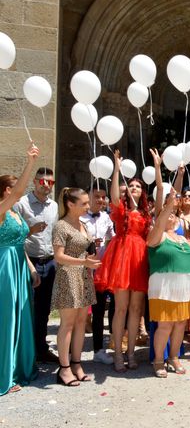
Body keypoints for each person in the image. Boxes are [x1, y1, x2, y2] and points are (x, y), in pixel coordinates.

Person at [94, 149, 153, 372]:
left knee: (136, 309)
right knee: (121, 308)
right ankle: (117, 352)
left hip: (139, 259)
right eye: (132, 186)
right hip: (122, 258)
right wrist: (116, 169)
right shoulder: (121, 209)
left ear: (142, 191)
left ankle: (130, 353)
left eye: (138, 186)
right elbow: (115, 196)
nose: (135, 188)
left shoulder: (146, 213)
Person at [147, 188, 190, 378]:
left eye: (173, 215)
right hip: (163, 287)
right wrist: (169, 203)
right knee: (165, 325)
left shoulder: (182, 239)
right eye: (167, 215)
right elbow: (160, 221)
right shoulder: (157, 235)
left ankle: (174, 357)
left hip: (183, 286)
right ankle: (158, 361)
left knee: (180, 324)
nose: (171, 217)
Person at [0, 145, 41, 395]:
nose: (18, 193)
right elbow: (18, 194)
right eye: (14, 189)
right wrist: (30, 163)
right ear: (6, 191)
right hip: (4, 267)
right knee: (6, 319)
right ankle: (5, 374)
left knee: (21, 317)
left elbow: (20, 243)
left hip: (18, 264)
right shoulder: (2, 211)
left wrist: (31, 267)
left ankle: (18, 368)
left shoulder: (14, 213)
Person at [51, 188, 101, 386]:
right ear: (70, 204)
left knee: (81, 323)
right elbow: (59, 256)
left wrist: (89, 256)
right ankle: (64, 369)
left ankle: (76, 364)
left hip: (83, 276)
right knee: (68, 324)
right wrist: (84, 263)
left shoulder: (82, 224)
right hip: (68, 277)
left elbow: (81, 249)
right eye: (84, 203)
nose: (88, 206)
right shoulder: (61, 226)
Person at [14, 165, 59, 363]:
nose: (47, 185)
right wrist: (30, 230)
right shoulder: (22, 204)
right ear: (34, 182)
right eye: (43, 181)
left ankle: (41, 348)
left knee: (44, 310)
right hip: (28, 260)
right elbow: (15, 236)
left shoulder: (54, 206)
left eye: (51, 182)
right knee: (26, 309)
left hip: (49, 262)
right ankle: (24, 353)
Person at [81, 186, 115, 365]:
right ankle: (73, 351)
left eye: (103, 197)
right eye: (97, 197)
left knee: (99, 310)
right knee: (79, 312)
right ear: (89, 197)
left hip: (100, 271)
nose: (101, 200)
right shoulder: (79, 217)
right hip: (81, 269)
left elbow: (113, 237)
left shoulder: (106, 217)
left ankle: (98, 349)